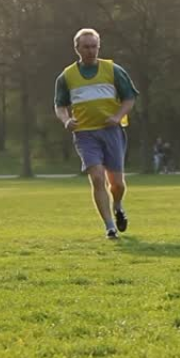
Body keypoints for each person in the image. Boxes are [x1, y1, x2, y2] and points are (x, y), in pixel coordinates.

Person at [54, 28, 139, 240]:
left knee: (116, 183)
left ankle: (118, 206)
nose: (91, 51)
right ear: (77, 49)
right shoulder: (67, 76)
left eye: (94, 46)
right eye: (86, 47)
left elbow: (129, 98)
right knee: (98, 177)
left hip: (111, 131)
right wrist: (66, 120)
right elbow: (60, 105)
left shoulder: (113, 70)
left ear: (99, 46)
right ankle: (110, 226)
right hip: (85, 134)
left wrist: (117, 116)